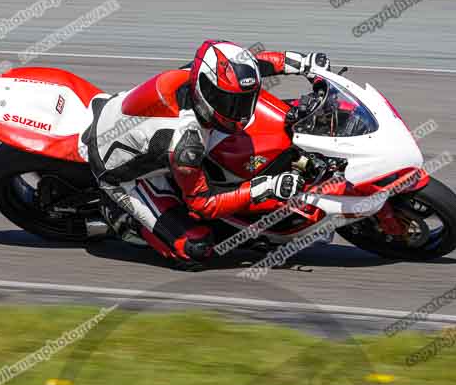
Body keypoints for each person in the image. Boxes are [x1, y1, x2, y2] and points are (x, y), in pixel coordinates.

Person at [86, 39, 330, 264]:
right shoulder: (187, 144)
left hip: (131, 122)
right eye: (231, 103)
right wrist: (266, 186)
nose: (241, 111)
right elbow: (204, 203)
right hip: (122, 175)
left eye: (245, 101)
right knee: (195, 247)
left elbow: (258, 63)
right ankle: (121, 216)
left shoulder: (205, 72)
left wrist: (303, 63)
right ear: (208, 92)